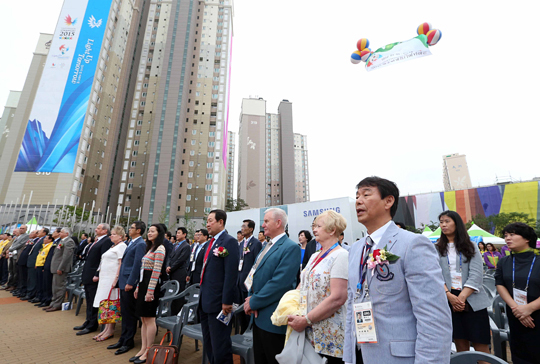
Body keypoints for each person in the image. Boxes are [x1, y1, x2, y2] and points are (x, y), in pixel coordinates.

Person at [344, 176, 452, 364]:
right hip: (360, 353)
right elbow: (352, 302)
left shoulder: (413, 244)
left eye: (366, 194)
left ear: (388, 201)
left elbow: (433, 317)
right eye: (357, 196)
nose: (358, 201)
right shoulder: (355, 249)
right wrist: (348, 356)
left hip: (398, 357)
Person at [288, 210, 349, 364]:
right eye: (314, 226)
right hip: (309, 330)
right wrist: (290, 304)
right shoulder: (315, 255)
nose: (314, 229)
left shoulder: (341, 255)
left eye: (319, 226)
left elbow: (338, 298)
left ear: (332, 230)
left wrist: (307, 319)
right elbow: (303, 282)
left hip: (330, 334)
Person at [244, 208, 301, 364]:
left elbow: (280, 283)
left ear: (278, 223)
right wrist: (251, 297)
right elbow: (255, 274)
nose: (263, 225)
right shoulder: (266, 246)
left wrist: (254, 301)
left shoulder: (290, 247)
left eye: (266, 221)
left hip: (272, 319)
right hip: (258, 315)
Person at [436, 210, 491, 355]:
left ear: (457, 223)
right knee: (460, 344)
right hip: (448, 298)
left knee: (481, 344)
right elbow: (435, 275)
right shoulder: (436, 248)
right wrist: (449, 295)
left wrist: (460, 298)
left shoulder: (471, 246)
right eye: (441, 222)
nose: (443, 225)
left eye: (447, 221)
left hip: (471, 297)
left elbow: (476, 275)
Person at [495, 222, 540, 364]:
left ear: (527, 238)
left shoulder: (538, 261)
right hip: (515, 315)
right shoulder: (504, 262)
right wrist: (517, 309)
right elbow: (500, 284)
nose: (507, 238)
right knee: (519, 353)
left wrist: (529, 308)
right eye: (506, 235)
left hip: (537, 315)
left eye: (512, 234)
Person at [199, 209, 239, 364]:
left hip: (219, 303)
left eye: (210, 221)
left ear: (220, 222)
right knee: (209, 343)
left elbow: (231, 275)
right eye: (207, 221)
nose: (207, 224)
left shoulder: (229, 242)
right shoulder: (211, 242)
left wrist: (227, 302)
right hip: (205, 300)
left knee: (220, 345)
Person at [108, 221, 147, 356]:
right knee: (124, 312)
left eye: (132, 228)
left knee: (130, 314)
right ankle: (122, 339)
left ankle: (128, 341)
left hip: (129, 283)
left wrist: (131, 282)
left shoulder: (141, 243)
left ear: (139, 230)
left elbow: (137, 264)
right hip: (124, 281)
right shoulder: (132, 242)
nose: (129, 229)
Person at [132, 224, 167, 364]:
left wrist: (150, 291)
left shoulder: (160, 248)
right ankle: (142, 348)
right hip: (143, 284)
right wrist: (138, 288)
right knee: (143, 318)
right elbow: (143, 270)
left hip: (151, 286)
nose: (150, 233)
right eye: (149, 231)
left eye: (153, 231)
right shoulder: (150, 247)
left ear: (159, 233)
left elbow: (156, 271)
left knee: (150, 318)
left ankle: (149, 350)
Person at [75, 223, 113, 335]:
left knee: (93, 300)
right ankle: (88, 321)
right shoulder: (97, 240)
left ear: (105, 231)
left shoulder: (106, 241)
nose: (96, 229)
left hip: (94, 276)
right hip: (88, 273)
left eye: (99, 228)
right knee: (89, 298)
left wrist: (97, 273)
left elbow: (103, 259)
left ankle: (92, 324)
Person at [92, 225, 127, 341]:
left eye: (114, 234)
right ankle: (106, 328)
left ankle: (110, 329)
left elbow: (121, 264)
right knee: (105, 303)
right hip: (104, 278)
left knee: (110, 303)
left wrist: (116, 279)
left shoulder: (122, 246)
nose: (111, 236)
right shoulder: (113, 246)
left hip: (111, 279)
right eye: (111, 234)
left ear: (120, 236)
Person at [236, 219, 262, 334]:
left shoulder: (256, 243)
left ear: (251, 229)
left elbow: (257, 264)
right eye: (242, 226)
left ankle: (248, 331)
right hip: (239, 279)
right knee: (239, 308)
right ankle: (241, 329)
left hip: (248, 282)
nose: (242, 228)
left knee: (247, 309)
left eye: (244, 226)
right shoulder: (241, 243)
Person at [46, 228, 76, 312]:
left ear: (66, 234)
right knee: (55, 286)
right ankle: (53, 303)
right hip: (56, 267)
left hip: (60, 268)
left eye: (61, 232)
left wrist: (61, 268)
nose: (59, 233)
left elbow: (66, 256)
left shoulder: (69, 241)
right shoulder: (62, 241)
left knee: (59, 287)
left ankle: (57, 304)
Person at [166, 227, 190, 315]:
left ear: (184, 234)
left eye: (179, 233)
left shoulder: (186, 246)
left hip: (179, 273)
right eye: (177, 233)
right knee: (172, 293)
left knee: (179, 294)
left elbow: (181, 260)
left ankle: (177, 314)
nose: (177, 234)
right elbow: (170, 257)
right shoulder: (176, 245)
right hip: (172, 272)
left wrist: (171, 268)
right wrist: (168, 266)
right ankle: (171, 312)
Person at [41, 229, 61, 309]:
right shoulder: (55, 242)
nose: (53, 233)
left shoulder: (60, 241)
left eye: (55, 232)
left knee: (50, 284)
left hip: (52, 266)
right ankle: (45, 299)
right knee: (46, 284)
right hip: (48, 265)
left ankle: (48, 300)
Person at [26, 228, 47, 302]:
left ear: (44, 233)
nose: (38, 233)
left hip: (36, 262)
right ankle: (29, 292)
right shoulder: (39, 239)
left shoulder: (43, 240)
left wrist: (37, 262)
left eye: (40, 231)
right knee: (30, 278)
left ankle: (31, 293)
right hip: (31, 260)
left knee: (33, 279)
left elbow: (40, 252)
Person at [34, 233, 53, 307]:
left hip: (43, 266)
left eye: (46, 238)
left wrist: (43, 267)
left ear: (50, 240)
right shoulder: (44, 246)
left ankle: (45, 299)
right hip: (38, 265)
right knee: (39, 283)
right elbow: (40, 255)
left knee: (44, 284)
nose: (44, 239)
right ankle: (40, 297)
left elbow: (47, 258)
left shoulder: (50, 246)